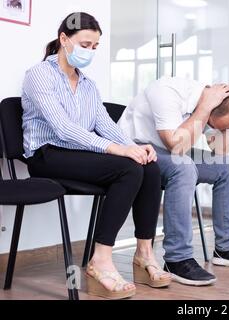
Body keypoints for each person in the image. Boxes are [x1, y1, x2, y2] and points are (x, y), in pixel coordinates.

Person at [22, 12, 171, 299]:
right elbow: (63, 128)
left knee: (148, 165)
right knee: (129, 169)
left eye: (94, 47)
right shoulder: (39, 75)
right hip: (47, 155)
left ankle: (144, 253)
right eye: (85, 44)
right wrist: (119, 150)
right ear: (64, 39)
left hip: (77, 155)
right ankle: (100, 261)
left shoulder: (88, 85)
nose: (90, 52)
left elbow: (104, 125)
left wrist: (135, 147)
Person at [119, 77, 229, 286]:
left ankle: (227, 248)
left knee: (227, 166)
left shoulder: (209, 105)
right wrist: (204, 110)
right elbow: (175, 146)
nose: (211, 128)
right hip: (135, 150)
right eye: (213, 125)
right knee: (183, 167)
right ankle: (177, 259)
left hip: (169, 151)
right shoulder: (166, 91)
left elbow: (221, 151)